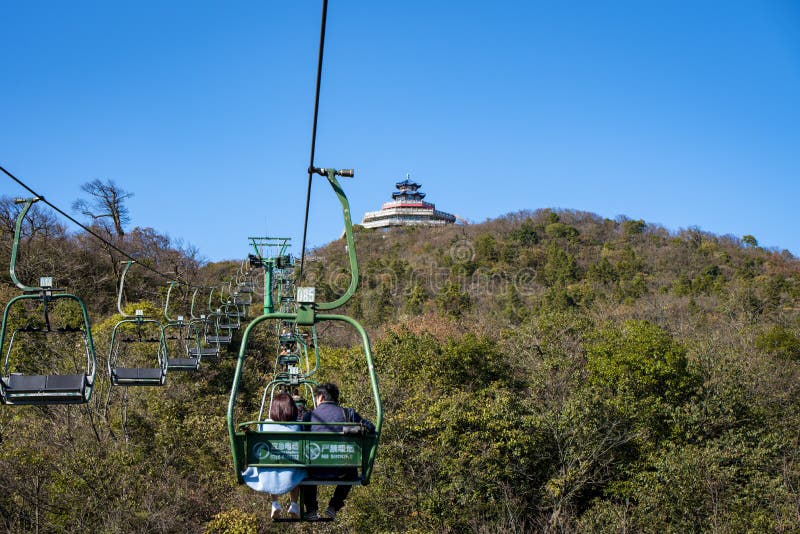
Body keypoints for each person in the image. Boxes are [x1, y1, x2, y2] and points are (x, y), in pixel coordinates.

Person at [301, 382, 376, 520]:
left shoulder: (309, 417)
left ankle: (311, 509)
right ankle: (334, 506)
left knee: (304, 469)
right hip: (342, 471)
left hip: (314, 471)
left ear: (321, 398)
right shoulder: (348, 414)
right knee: (351, 467)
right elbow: (371, 427)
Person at [240, 393, 306, 519]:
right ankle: (294, 504)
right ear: (292, 409)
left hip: (268, 470)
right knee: (298, 468)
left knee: (269, 465)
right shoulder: (298, 426)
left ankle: (275, 503)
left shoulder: (264, 424)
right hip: (292, 472)